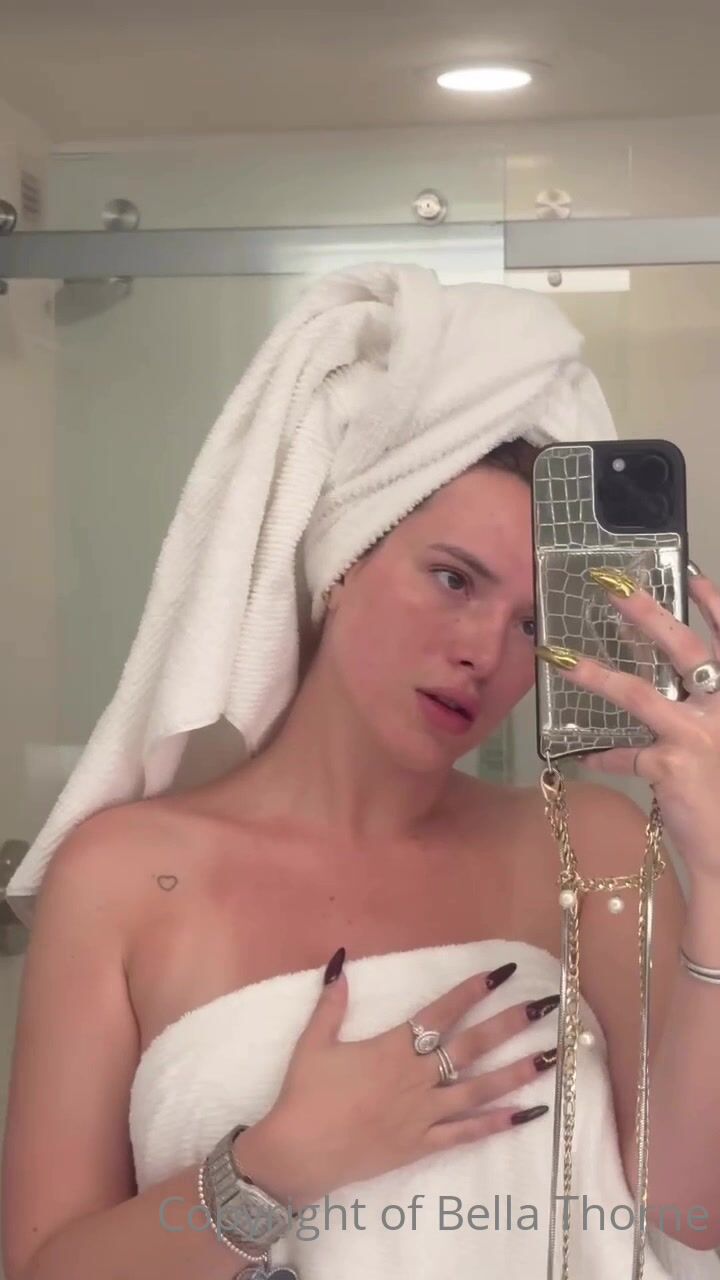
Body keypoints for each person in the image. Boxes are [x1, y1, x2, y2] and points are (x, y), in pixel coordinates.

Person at [3, 265, 720, 1280]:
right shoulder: (123, 875)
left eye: (532, 623)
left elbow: (694, 1209)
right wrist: (270, 1171)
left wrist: (718, 874)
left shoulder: (589, 841)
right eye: (453, 578)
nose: (484, 650)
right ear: (342, 559)